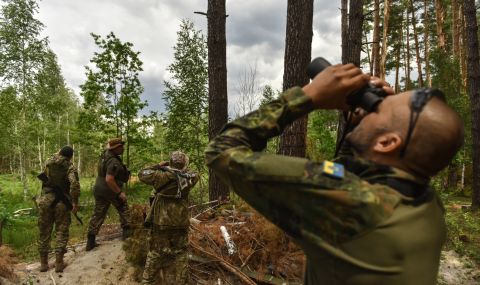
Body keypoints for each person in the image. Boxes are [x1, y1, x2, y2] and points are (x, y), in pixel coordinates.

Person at [205, 63, 464, 285]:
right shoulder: (427, 203)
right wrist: (363, 124)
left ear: (386, 143)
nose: (370, 109)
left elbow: (221, 151)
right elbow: (352, 176)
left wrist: (308, 96)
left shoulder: (357, 203)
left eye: (378, 109)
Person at [138, 151, 199, 285]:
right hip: (181, 220)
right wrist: (181, 168)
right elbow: (192, 172)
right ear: (184, 164)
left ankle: (147, 281)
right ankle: (181, 281)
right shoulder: (190, 177)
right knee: (181, 252)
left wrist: (158, 165)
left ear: (170, 163)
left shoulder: (160, 176)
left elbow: (142, 173)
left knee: (155, 251)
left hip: (161, 219)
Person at [37, 146, 80, 272]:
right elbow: (75, 185)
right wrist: (75, 203)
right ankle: (59, 263)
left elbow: (43, 178)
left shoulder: (48, 162)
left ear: (59, 152)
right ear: (70, 156)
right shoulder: (70, 167)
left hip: (46, 200)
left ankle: (43, 264)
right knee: (61, 230)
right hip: (62, 202)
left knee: (44, 231)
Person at [86, 137, 131, 251]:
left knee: (98, 214)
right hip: (110, 189)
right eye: (121, 147)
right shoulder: (113, 161)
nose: (123, 149)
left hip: (99, 188)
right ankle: (127, 238)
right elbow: (109, 179)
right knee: (124, 209)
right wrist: (119, 192)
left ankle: (90, 242)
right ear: (116, 148)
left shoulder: (104, 155)